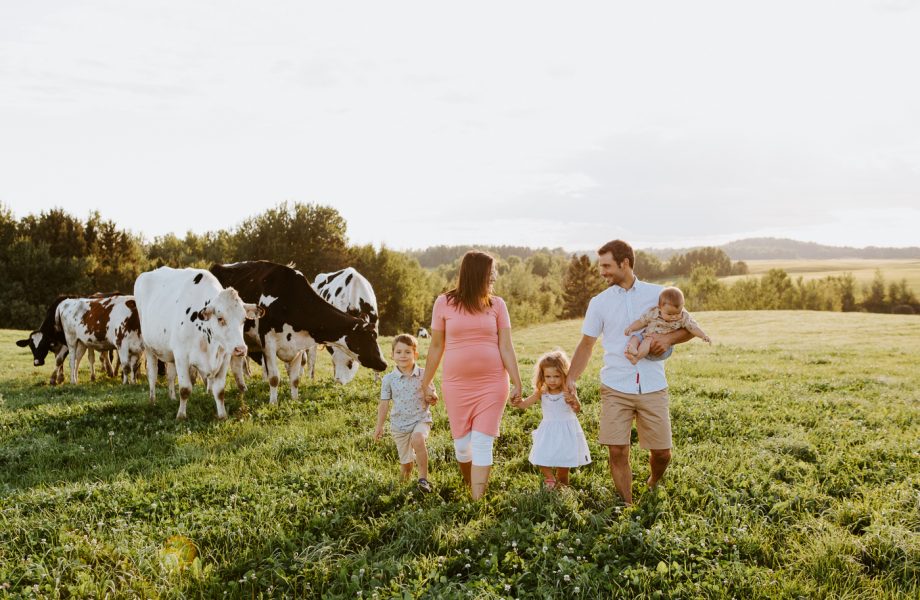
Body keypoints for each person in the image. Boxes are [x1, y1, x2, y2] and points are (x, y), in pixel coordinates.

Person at [567, 240, 692, 505]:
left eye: (607, 266)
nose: (602, 272)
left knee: (662, 453)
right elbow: (586, 344)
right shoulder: (599, 303)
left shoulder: (659, 294)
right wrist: (571, 378)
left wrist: (669, 340)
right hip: (615, 386)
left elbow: (688, 327)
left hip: (653, 385)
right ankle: (627, 503)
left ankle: (653, 481)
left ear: (625, 263)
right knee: (617, 449)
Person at [421, 250, 523, 500]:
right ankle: (470, 485)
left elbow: (506, 346)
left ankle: (477, 502)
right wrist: (426, 383)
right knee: (462, 446)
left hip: (493, 383)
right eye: (490, 273)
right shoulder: (444, 303)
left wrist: (517, 382)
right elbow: (436, 346)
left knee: (482, 442)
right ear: (476, 274)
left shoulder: (497, 305)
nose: (494, 277)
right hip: (457, 385)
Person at [511, 350, 591, 489]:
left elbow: (577, 409)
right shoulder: (542, 391)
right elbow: (524, 405)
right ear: (543, 376)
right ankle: (550, 478)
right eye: (548, 376)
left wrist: (574, 401)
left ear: (564, 374)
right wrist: (517, 401)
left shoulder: (568, 390)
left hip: (566, 431)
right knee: (540, 456)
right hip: (548, 430)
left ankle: (563, 488)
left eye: (556, 376)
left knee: (564, 465)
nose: (552, 380)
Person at [374, 334, 435, 493]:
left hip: (420, 419)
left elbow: (432, 395)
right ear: (392, 355)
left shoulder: (423, 374)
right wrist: (379, 426)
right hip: (399, 426)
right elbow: (384, 404)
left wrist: (433, 397)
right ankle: (403, 492)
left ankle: (423, 480)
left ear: (415, 354)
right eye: (399, 352)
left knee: (418, 438)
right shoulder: (388, 379)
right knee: (406, 466)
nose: (403, 356)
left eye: (408, 352)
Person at [624, 286, 711, 364]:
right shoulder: (654, 312)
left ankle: (637, 357)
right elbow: (641, 322)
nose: (674, 317)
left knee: (648, 340)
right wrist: (631, 328)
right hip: (647, 337)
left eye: (678, 313)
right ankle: (633, 350)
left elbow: (693, 327)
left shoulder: (684, 317)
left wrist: (703, 335)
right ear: (660, 307)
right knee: (635, 337)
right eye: (669, 314)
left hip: (662, 349)